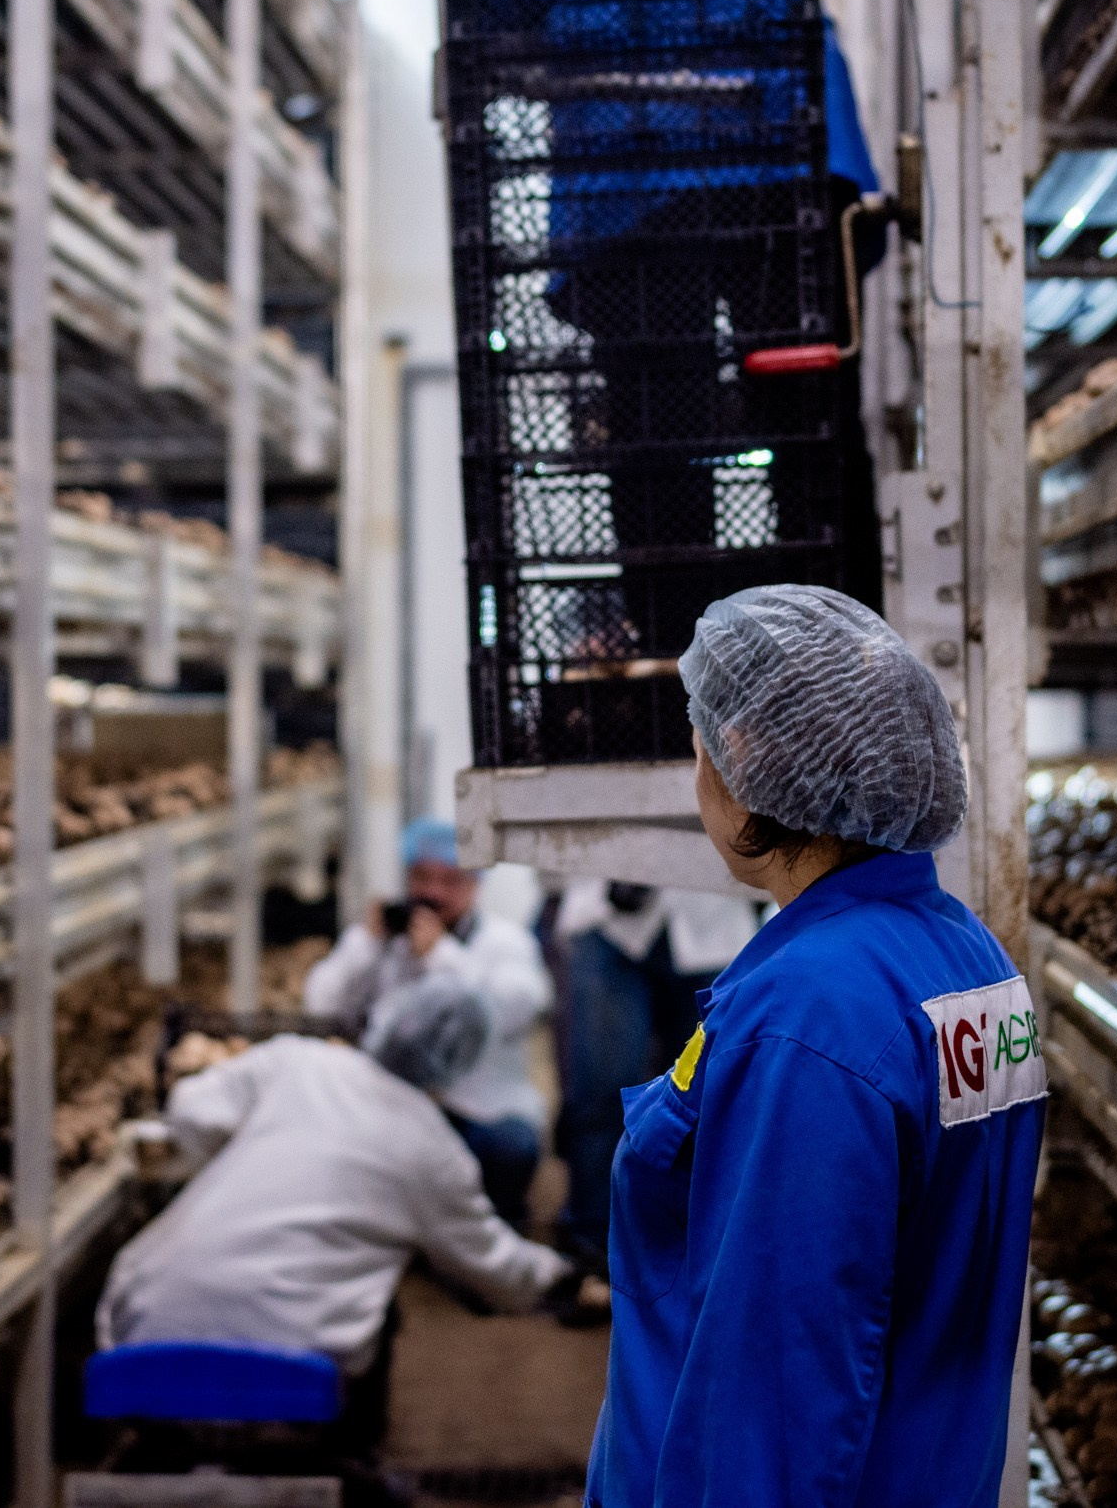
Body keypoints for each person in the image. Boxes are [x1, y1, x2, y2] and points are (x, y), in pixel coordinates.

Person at [588, 585, 1045, 1508]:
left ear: (745, 756)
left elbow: (775, 1383)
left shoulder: (808, 1014)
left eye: (701, 741)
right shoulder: (966, 956)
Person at [96, 980, 572, 1383]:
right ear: (464, 1062)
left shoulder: (296, 1061)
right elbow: (494, 1267)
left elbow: (191, 1108)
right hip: (291, 1348)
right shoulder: (435, 1151)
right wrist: (560, 1273)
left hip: (145, 1316)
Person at [303, 817, 554, 1226]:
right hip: (392, 1107)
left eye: (449, 880)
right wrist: (366, 945)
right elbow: (321, 1004)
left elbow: (514, 1008)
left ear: (475, 885)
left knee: (511, 1147)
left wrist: (441, 956)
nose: (433, 893)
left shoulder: (506, 943)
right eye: (422, 877)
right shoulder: (385, 940)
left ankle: (497, 1226)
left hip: (481, 1109)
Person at [550, 880, 761, 1277]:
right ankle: (593, 1249)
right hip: (605, 918)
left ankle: (679, 1254)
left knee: (702, 1102)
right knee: (602, 1091)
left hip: (715, 923)